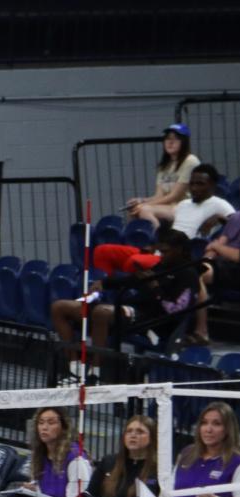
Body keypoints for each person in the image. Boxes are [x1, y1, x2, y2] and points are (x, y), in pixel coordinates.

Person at [50, 229, 203, 374]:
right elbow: (132, 280)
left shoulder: (189, 274)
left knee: (101, 313)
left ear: (180, 250)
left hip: (151, 320)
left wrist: (156, 289)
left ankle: (96, 370)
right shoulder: (162, 266)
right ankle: (75, 364)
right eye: (160, 251)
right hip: (131, 308)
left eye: (165, 252)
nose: (162, 255)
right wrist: (105, 283)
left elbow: (175, 310)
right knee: (59, 307)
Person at [170, 165, 233, 346]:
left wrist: (219, 218)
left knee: (193, 275)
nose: (195, 188)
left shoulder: (219, 204)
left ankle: (201, 330)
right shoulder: (182, 205)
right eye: (192, 184)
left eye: (201, 184)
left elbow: (236, 224)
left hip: (196, 257)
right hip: (172, 255)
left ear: (212, 186)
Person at [126, 124, 200, 226]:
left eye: (175, 139)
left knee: (144, 210)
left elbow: (174, 196)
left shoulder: (190, 161)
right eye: (167, 138)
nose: (170, 142)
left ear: (184, 142)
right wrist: (140, 201)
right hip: (168, 207)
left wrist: (144, 205)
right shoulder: (164, 165)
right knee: (133, 211)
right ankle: (137, 241)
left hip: (185, 207)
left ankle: (158, 239)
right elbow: (159, 196)